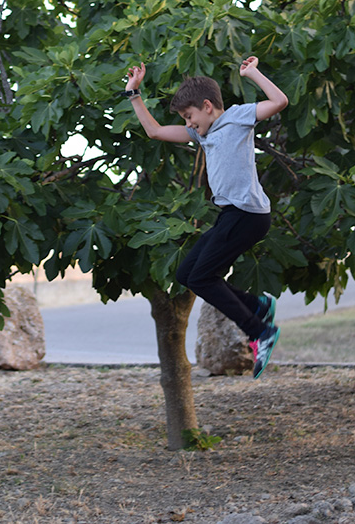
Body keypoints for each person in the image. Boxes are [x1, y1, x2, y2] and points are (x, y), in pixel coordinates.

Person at [123, 56, 289, 378]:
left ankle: (260, 331)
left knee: (202, 278)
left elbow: (279, 101)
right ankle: (257, 306)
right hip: (231, 215)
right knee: (188, 274)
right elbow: (155, 131)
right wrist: (134, 94)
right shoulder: (203, 134)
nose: (188, 124)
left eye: (189, 116)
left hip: (248, 214)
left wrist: (253, 73)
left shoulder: (239, 117)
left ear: (208, 106)